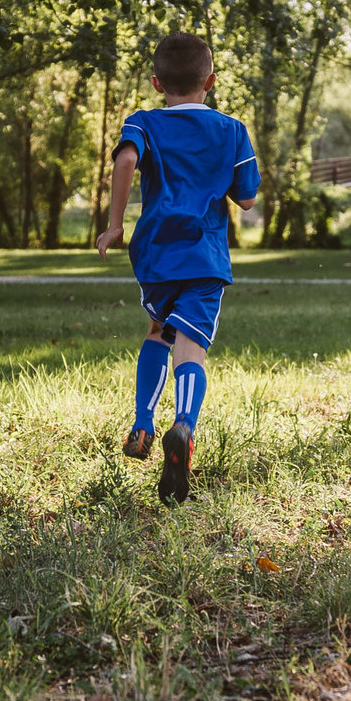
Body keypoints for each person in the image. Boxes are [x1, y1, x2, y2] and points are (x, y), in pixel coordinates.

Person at [93, 32, 260, 504]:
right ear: (210, 81)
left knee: (157, 331)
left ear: (156, 82)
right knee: (192, 349)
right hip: (205, 255)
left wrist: (114, 224)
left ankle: (142, 424)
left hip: (157, 253)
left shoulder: (143, 122)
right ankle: (183, 426)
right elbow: (247, 199)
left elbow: (126, 158)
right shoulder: (231, 131)